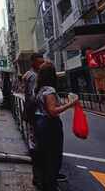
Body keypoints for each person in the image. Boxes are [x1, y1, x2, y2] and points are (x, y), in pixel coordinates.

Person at [34, 62, 79, 191]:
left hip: (41, 123)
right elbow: (52, 111)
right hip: (50, 125)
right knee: (53, 157)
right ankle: (50, 186)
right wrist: (71, 103)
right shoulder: (49, 90)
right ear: (51, 75)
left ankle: (46, 184)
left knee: (45, 155)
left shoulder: (40, 89)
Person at [22, 53, 44, 187]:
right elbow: (32, 96)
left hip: (33, 113)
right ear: (33, 63)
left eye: (43, 62)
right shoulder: (34, 76)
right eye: (39, 62)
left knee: (35, 143)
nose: (42, 64)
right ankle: (38, 177)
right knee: (37, 145)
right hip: (36, 114)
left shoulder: (29, 74)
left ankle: (38, 176)